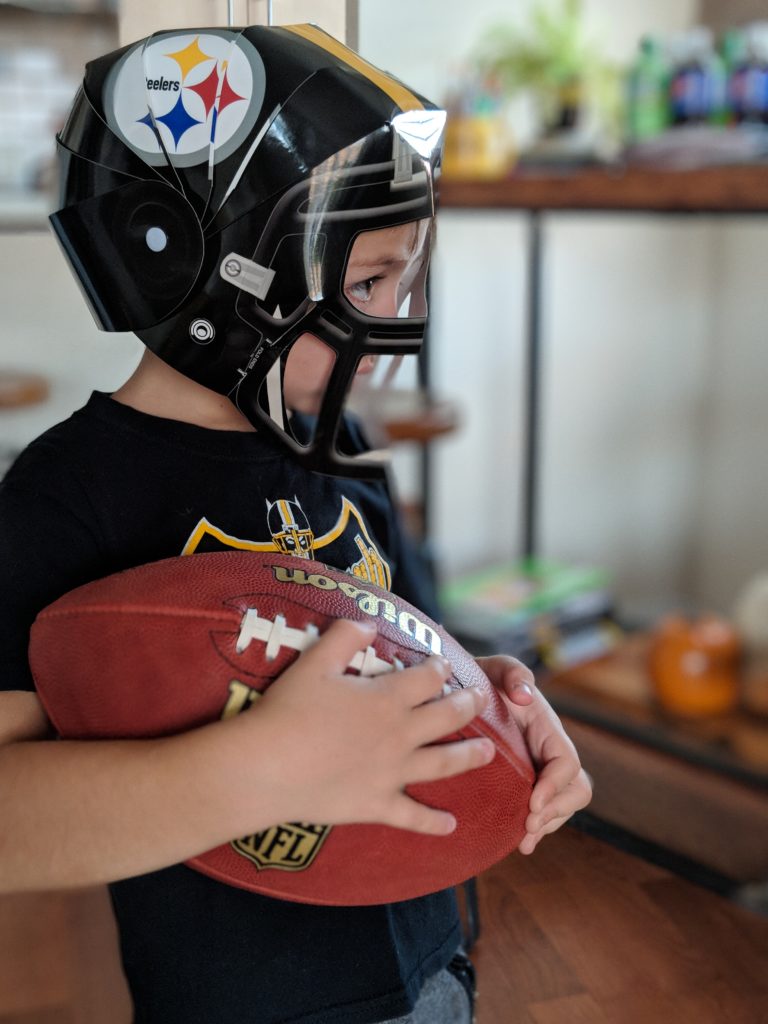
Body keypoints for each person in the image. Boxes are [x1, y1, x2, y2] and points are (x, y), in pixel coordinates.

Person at [0, 23, 591, 1024]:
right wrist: (255, 767)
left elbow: (421, 655)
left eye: (401, 279)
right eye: (365, 283)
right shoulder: (67, 496)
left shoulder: (342, 459)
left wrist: (497, 701)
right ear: (208, 273)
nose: (394, 324)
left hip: (434, 964)